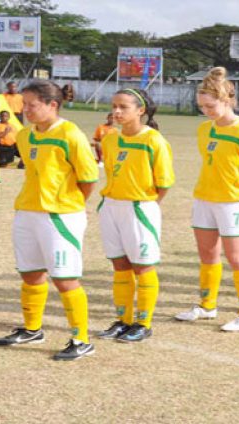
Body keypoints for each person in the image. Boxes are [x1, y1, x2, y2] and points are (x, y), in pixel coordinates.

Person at [0, 80, 99, 360]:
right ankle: (32, 329)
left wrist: (70, 205)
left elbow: (88, 179)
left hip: (61, 216)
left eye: (32, 105)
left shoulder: (70, 134)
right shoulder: (25, 136)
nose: (25, 110)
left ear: (53, 104)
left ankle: (81, 339)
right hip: (28, 212)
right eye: (23, 104)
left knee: (65, 279)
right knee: (30, 273)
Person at [174, 67, 239, 332]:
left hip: (234, 202)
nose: (206, 111)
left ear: (226, 101)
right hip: (204, 199)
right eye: (201, 106)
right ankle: (207, 306)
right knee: (207, 255)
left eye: (211, 106)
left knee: (238, 258)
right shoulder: (205, 130)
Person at [96, 88, 174, 342]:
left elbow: (163, 184)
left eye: (123, 107)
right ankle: (123, 319)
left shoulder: (154, 140)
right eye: (114, 106)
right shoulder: (109, 139)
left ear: (140, 111)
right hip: (111, 206)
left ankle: (143, 322)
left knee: (142, 265)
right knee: (120, 265)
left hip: (139, 208)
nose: (116, 112)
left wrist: (144, 206)